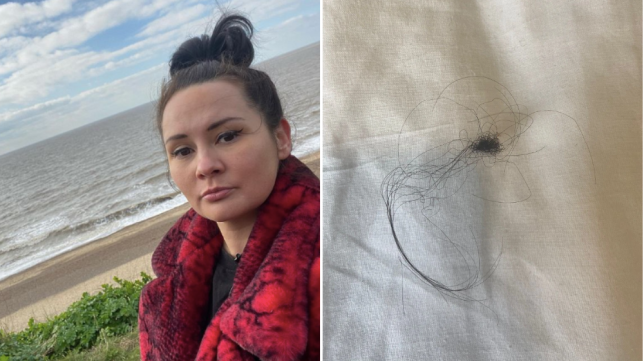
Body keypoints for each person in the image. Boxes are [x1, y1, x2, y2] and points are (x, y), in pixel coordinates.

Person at [138, 14, 320, 361]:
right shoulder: (172, 279)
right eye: (183, 150)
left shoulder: (332, 264)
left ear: (281, 138)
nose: (205, 166)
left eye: (227, 135)